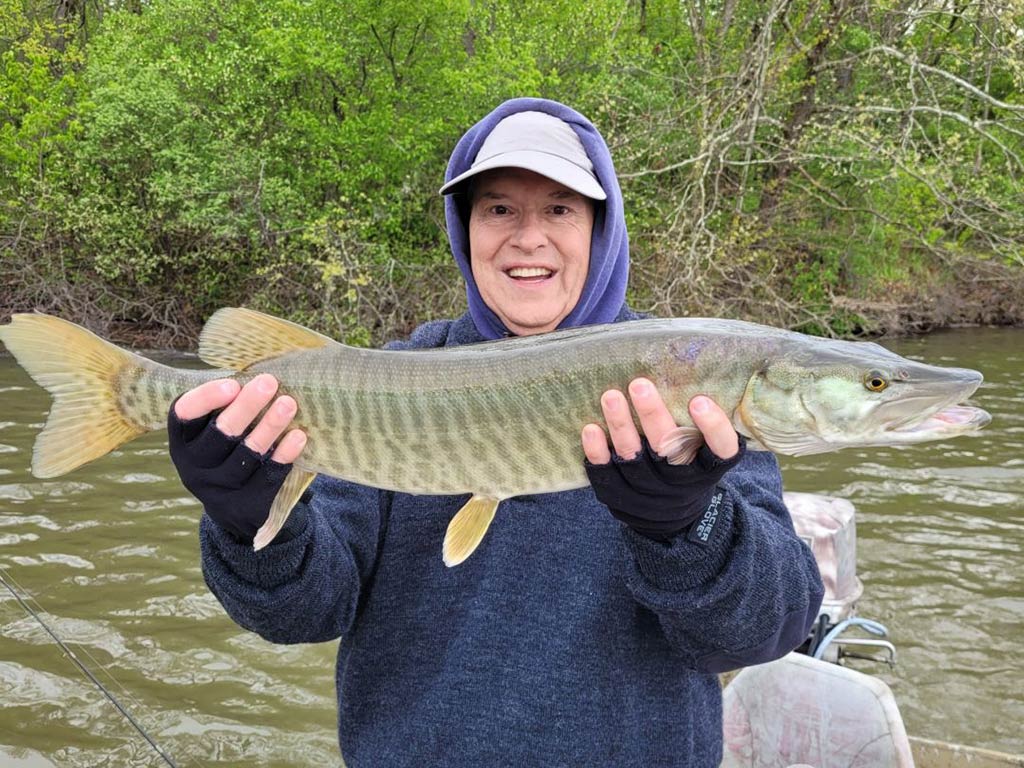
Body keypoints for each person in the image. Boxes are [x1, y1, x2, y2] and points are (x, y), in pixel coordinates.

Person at [168, 98, 824, 766]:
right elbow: (304, 613)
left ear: (601, 228)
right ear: (467, 230)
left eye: (560, 208)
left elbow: (764, 631)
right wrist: (246, 525)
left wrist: (689, 528)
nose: (528, 236)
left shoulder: (692, 377)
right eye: (499, 208)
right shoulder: (394, 378)